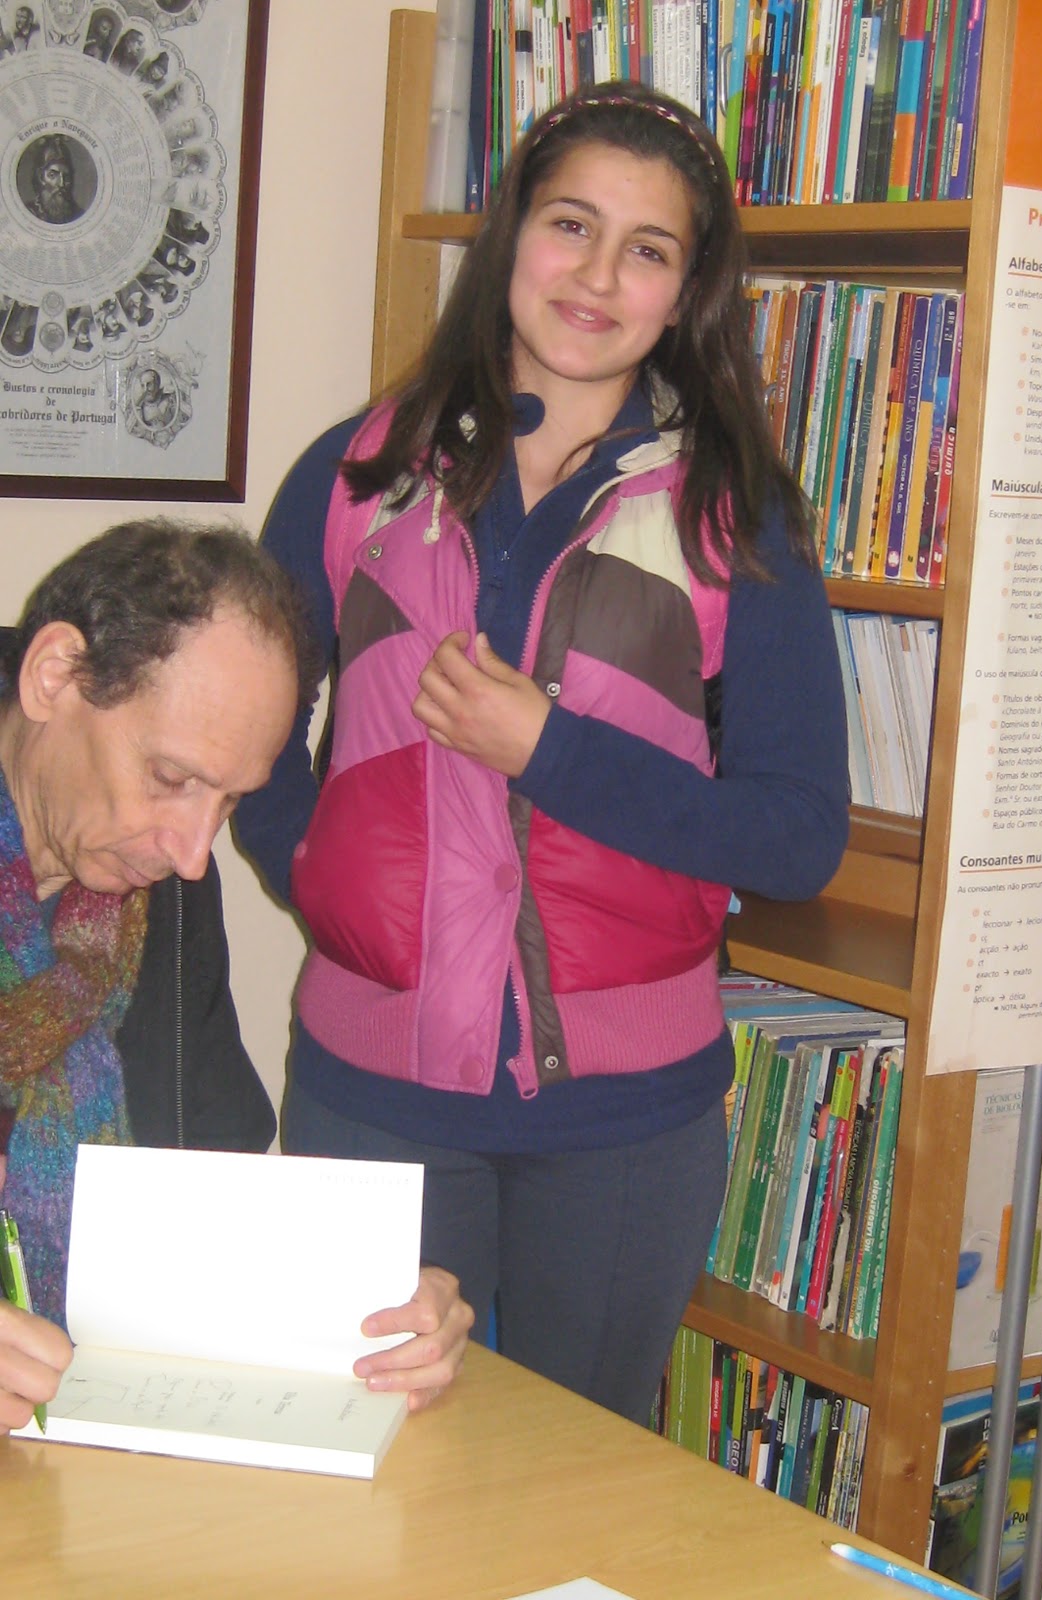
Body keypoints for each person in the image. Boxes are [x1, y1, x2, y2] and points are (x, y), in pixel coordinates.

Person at [236, 83, 848, 1425]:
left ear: (686, 292)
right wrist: (321, 871)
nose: (597, 277)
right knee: (373, 1465)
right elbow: (248, 728)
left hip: (627, 1125)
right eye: (571, 224)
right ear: (512, 232)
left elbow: (798, 835)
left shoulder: (736, 513)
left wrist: (548, 750)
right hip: (372, 1097)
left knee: (579, 1483)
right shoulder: (356, 475)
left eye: (648, 249)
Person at [0, 521, 473, 1436]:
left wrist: (381, 1302)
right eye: (170, 777)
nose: (191, 852)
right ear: (54, 677)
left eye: (227, 801)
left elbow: (215, 1190)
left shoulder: (162, 894)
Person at [25, 135, 82, 226]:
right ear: (41, 177)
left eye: (66, 177)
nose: (61, 184)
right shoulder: (28, 213)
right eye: (53, 175)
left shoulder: (79, 215)